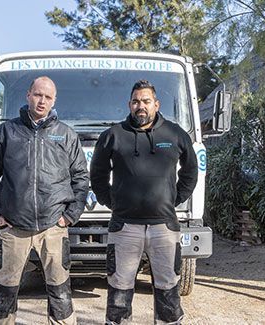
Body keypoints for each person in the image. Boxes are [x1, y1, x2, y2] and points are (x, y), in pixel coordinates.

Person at [0, 76, 89, 325]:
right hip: (14, 227)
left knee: (60, 292)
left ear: (54, 101)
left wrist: (69, 216)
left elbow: (81, 178)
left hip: (53, 227)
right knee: (4, 293)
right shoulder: (6, 132)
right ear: (28, 95)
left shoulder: (66, 135)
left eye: (48, 97)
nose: (42, 101)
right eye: (38, 94)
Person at [90, 80, 198, 324]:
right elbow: (97, 176)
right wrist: (113, 202)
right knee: (119, 288)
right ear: (129, 104)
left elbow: (191, 172)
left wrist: (173, 199)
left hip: (164, 227)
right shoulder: (113, 135)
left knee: (168, 288)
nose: (141, 106)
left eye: (146, 101)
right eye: (136, 101)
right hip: (124, 227)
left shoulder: (175, 134)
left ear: (156, 104)